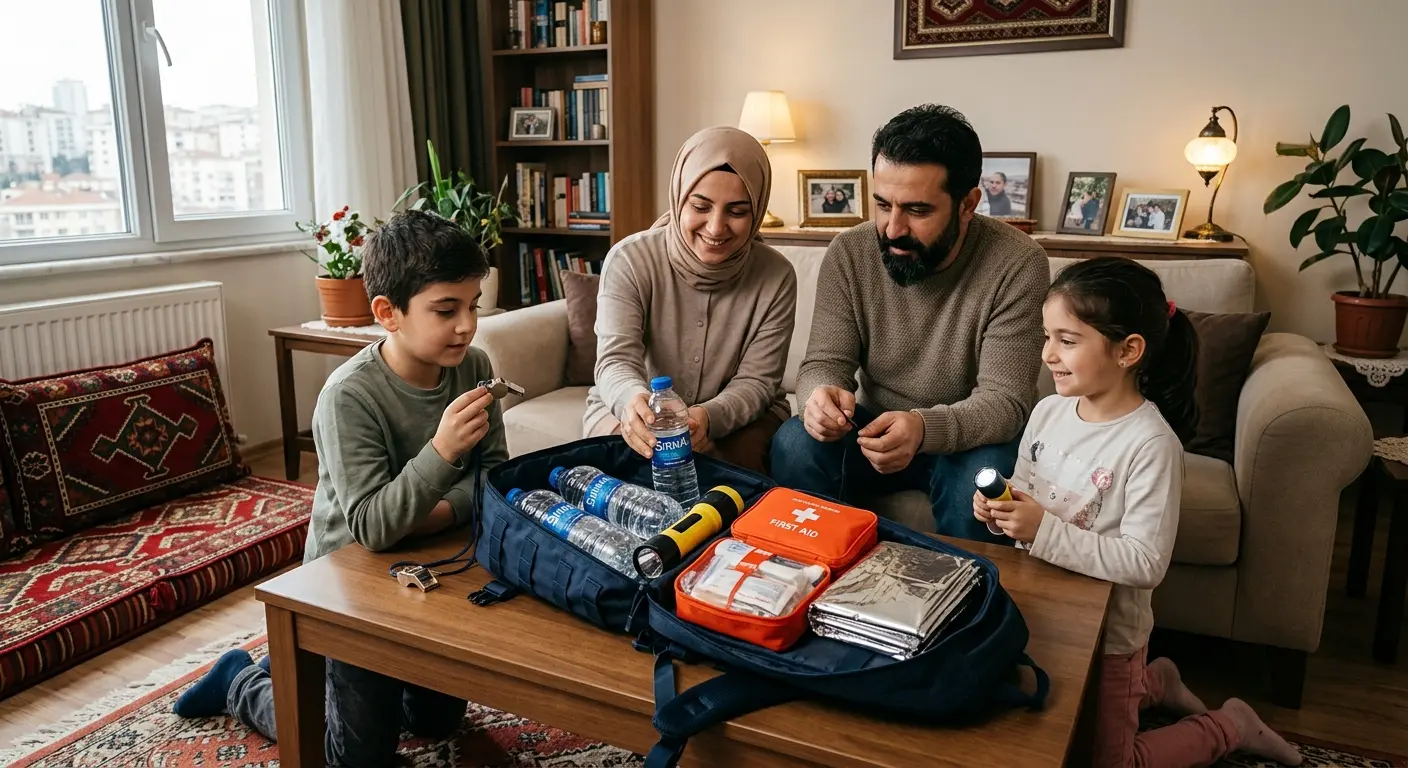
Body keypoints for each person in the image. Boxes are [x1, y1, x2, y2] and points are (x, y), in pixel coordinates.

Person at [172, 210, 509, 766]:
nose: (467, 325)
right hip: (347, 584)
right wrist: (443, 453)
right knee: (355, 758)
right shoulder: (348, 395)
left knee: (435, 722)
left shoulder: (475, 366)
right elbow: (375, 529)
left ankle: (354, 685)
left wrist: (435, 514)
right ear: (387, 313)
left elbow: (496, 478)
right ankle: (241, 682)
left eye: (473, 305)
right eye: (446, 310)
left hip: (432, 569)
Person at [974, 257, 1302, 768]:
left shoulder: (1151, 444)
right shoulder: (1048, 410)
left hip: (1111, 638)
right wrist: (1002, 505)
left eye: (1067, 340)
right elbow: (1027, 490)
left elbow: (1146, 562)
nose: (1047, 355)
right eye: (1047, 336)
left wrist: (1043, 530)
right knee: (1051, 733)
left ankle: (1229, 724)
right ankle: (1159, 682)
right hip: (1045, 614)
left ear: (1128, 350)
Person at [770, 104, 1048, 542]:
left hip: (970, 438)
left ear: (968, 204)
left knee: (987, 476)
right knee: (795, 442)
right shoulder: (850, 252)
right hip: (872, 431)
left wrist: (922, 428)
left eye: (917, 210)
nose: (892, 228)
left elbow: (1005, 401)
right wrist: (817, 399)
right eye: (883, 204)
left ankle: (966, 605)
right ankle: (815, 587)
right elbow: (824, 363)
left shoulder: (1018, 263)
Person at [585, 125, 798, 474]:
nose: (716, 228)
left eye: (737, 211)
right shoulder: (629, 260)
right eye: (701, 206)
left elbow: (758, 382)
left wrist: (708, 419)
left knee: (726, 488)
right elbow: (616, 361)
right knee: (623, 477)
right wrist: (633, 403)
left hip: (739, 420)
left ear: (757, 210)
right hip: (633, 408)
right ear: (679, 197)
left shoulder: (777, 276)